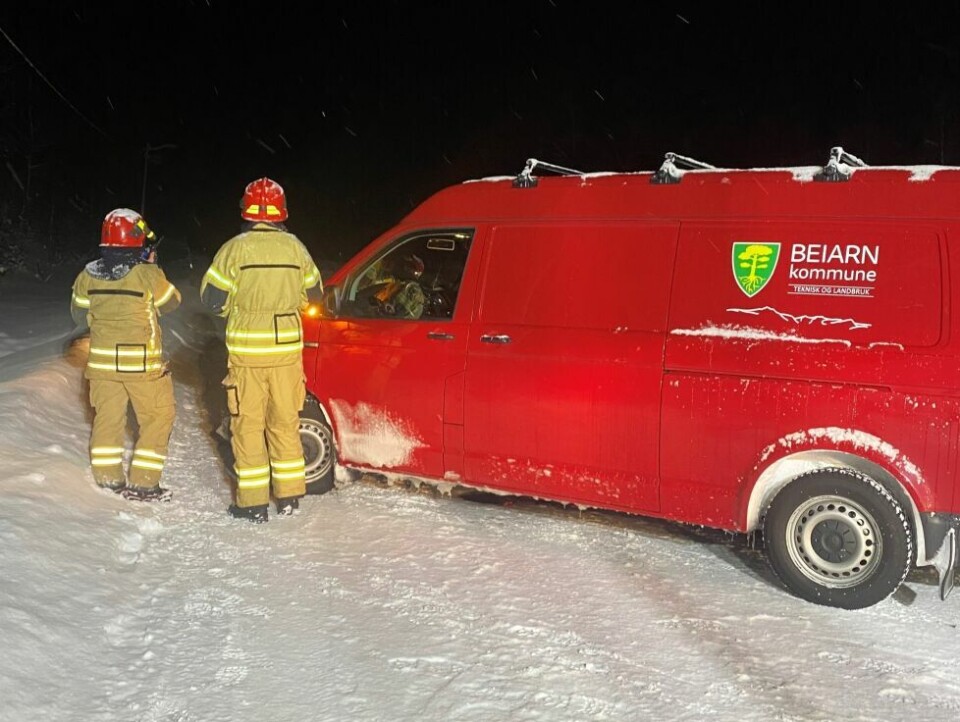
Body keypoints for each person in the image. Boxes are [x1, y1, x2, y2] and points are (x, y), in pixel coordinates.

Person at [200, 177, 323, 523]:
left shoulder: (235, 249)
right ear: (282, 213)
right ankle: (289, 499)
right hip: (286, 356)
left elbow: (213, 300)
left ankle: (252, 504)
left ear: (246, 210)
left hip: (247, 357)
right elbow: (314, 296)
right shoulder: (297, 248)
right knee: (285, 424)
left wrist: (238, 307)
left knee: (248, 427)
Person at [70, 208, 181, 500]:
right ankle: (144, 483)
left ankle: (107, 479)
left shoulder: (87, 274)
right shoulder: (147, 274)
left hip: (102, 365)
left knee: (107, 419)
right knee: (157, 417)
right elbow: (171, 303)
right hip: (142, 366)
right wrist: (153, 267)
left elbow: (78, 314)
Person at [362, 252, 426, 319]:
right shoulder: (395, 283)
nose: (400, 266)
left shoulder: (411, 288)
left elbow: (392, 315)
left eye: (406, 265)